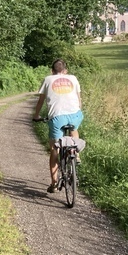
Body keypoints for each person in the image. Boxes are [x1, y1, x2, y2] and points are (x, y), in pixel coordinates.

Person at [33, 58, 83, 193]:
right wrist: (76, 112)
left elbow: (41, 101)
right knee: (74, 129)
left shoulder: (48, 79)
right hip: (76, 115)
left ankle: (54, 183)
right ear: (65, 71)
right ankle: (76, 153)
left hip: (57, 118)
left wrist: (36, 116)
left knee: (55, 149)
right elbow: (79, 100)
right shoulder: (73, 78)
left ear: (52, 71)